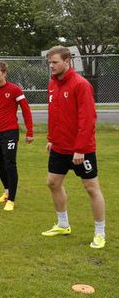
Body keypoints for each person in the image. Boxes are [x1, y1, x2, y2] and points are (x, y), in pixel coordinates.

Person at [41, 46, 106, 249]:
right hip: (59, 146)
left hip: (81, 149)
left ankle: (100, 233)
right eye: (50, 62)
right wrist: (52, 138)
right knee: (52, 182)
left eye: (55, 62)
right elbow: (55, 114)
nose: (51, 66)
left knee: (91, 188)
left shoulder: (81, 84)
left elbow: (87, 120)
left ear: (67, 61)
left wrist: (80, 149)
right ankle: (63, 224)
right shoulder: (52, 84)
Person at [0, 61, 34, 212]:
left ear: (4, 74)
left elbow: (26, 110)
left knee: (10, 164)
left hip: (10, 132)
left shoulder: (15, 90)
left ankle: (11, 200)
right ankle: (6, 192)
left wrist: (30, 132)